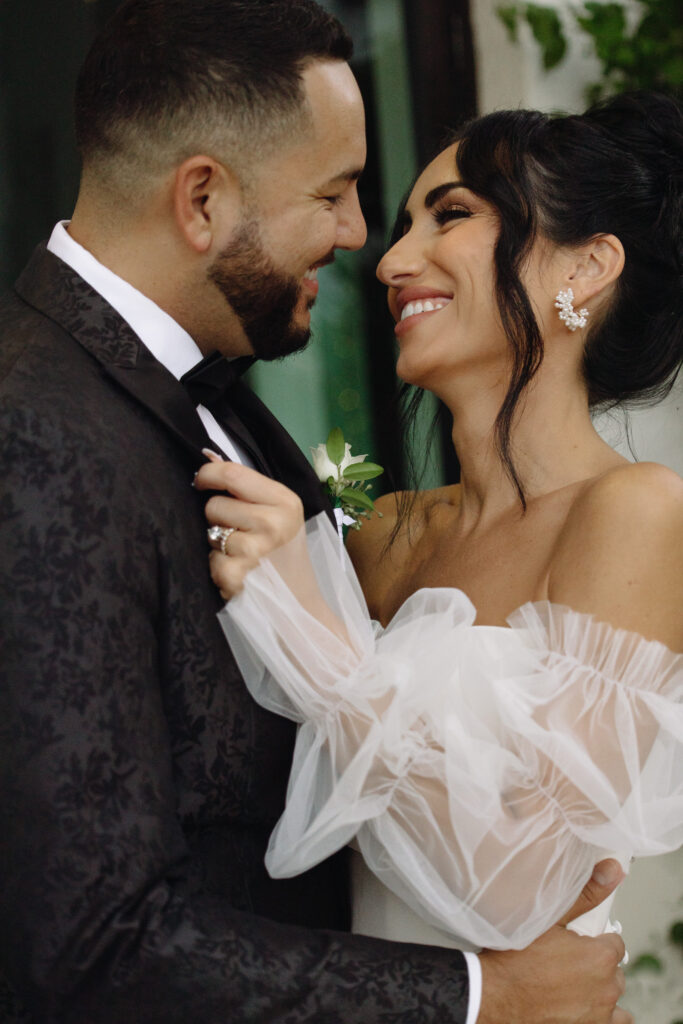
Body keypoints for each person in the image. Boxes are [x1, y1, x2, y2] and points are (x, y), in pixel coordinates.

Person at [0, 0, 631, 1021]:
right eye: (336, 192)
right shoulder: (35, 432)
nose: (361, 239)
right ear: (201, 198)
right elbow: (84, 940)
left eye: (447, 213)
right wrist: (475, 995)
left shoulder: (223, 417)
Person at [198, 90, 683, 1011]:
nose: (390, 261)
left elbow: (511, 884)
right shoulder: (384, 534)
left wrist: (316, 643)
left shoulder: (635, 514)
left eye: (451, 216)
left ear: (584, 267)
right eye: (401, 226)